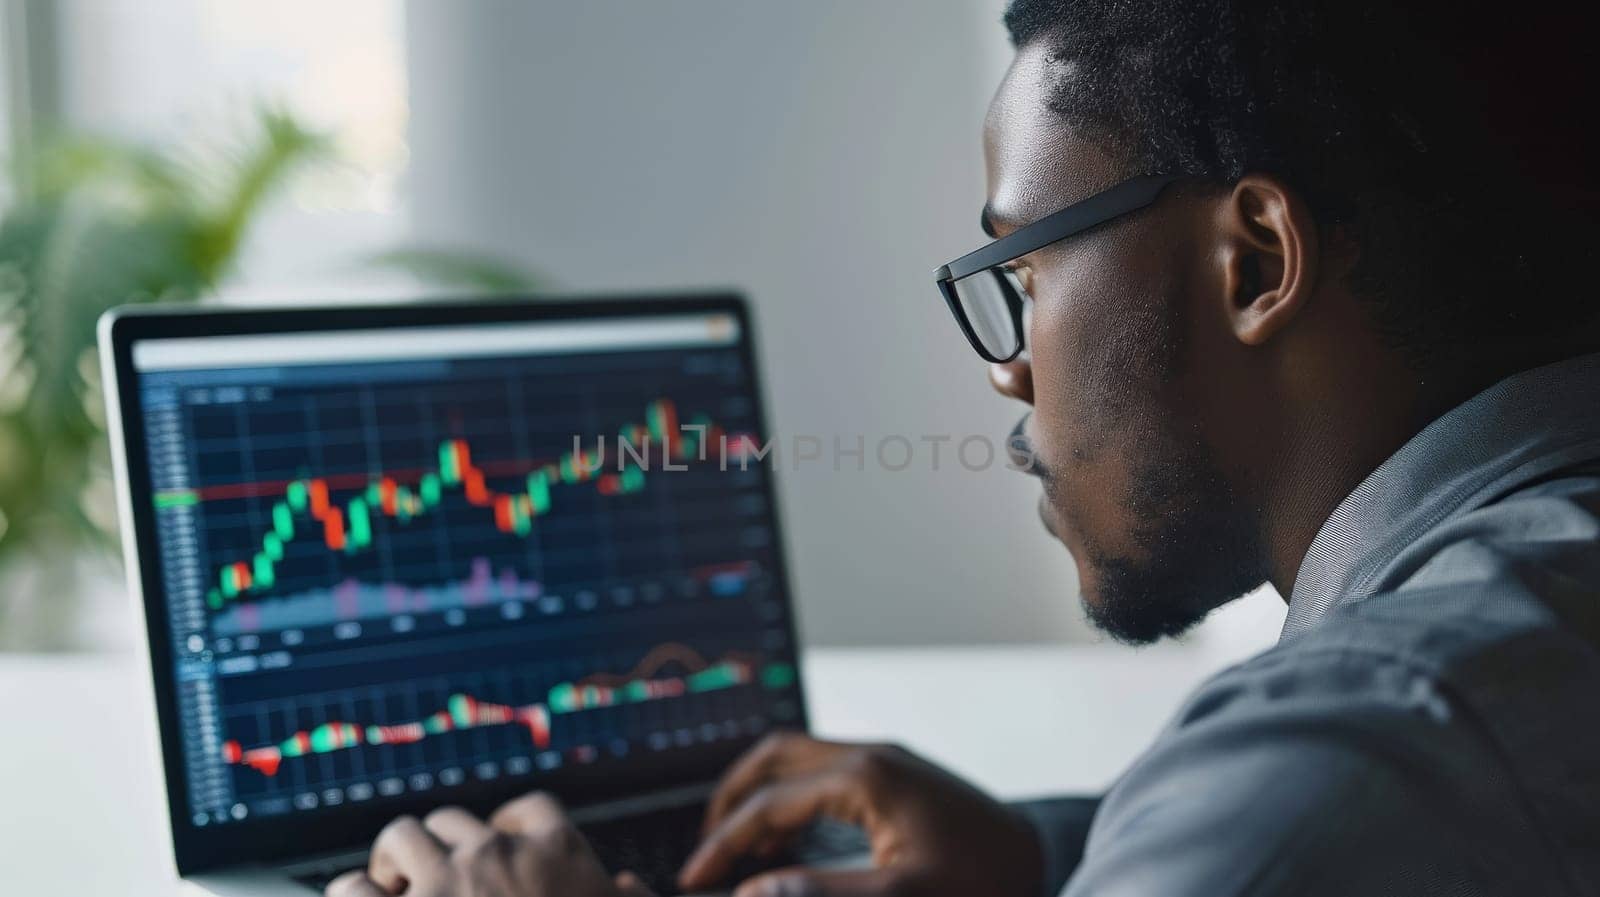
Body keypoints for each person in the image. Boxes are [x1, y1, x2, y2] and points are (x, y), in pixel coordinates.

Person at [327, 1, 1600, 895]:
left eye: (1024, 269)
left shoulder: (1331, 767)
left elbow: (1306, 826)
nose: (1006, 365)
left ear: (1253, 261)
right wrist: (1044, 862)